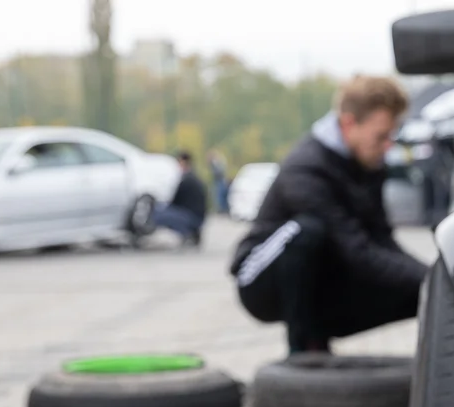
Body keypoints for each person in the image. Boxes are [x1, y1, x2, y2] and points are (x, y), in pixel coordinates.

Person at [228, 75, 428, 354]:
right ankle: (302, 353)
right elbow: (355, 248)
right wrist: (429, 277)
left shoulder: (370, 165)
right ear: (348, 123)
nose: (388, 146)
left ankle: (318, 340)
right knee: (308, 232)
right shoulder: (306, 168)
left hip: (324, 280)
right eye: (381, 136)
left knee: (422, 292)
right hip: (258, 279)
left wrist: (435, 282)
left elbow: (382, 241)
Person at [153, 150, 207, 247]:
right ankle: (192, 232)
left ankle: (187, 233)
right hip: (198, 216)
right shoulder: (194, 177)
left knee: (159, 214)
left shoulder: (186, 180)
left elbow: (175, 200)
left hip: (191, 217)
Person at [208, 150, 230, 214]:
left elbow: (220, 172)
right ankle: (220, 209)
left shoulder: (218, 163)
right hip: (217, 181)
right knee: (218, 196)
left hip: (220, 180)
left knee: (220, 196)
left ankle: (222, 209)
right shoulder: (216, 163)